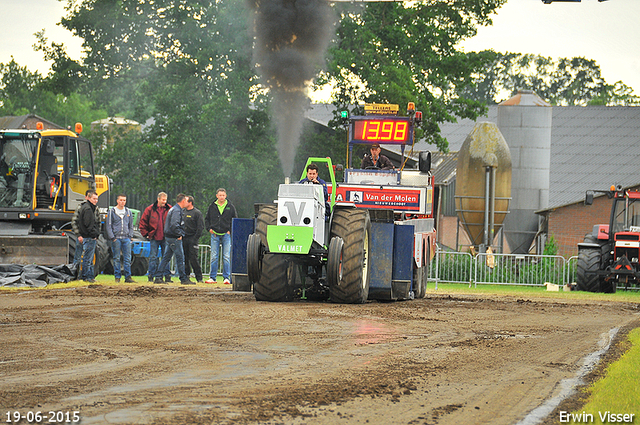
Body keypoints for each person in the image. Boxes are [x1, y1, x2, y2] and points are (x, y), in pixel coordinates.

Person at [154, 193, 193, 285]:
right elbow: (174, 224)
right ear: (183, 201)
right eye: (186, 201)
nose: (187, 203)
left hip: (170, 237)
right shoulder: (176, 211)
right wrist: (179, 234)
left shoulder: (175, 209)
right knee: (180, 258)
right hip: (174, 238)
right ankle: (183, 278)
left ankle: (158, 277)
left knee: (166, 257)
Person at [204, 188, 237, 285]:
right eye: (220, 195)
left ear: (225, 196)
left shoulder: (230, 207)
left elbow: (235, 219)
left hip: (226, 234)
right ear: (217, 196)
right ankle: (212, 277)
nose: (221, 197)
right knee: (214, 256)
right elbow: (207, 219)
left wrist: (230, 231)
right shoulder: (212, 206)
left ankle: (226, 278)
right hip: (214, 234)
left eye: (223, 195)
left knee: (226, 256)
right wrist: (209, 229)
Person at [139, 192, 172, 282]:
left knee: (166, 257)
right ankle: (151, 275)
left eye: (165, 200)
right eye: (163, 200)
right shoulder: (150, 209)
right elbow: (143, 222)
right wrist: (145, 234)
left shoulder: (169, 209)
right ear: (158, 199)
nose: (164, 202)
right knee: (153, 257)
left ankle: (167, 276)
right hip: (154, 237)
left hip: (166, 237)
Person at [106, 194, 135, 283]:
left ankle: (128, 277)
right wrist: (112, 237)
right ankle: (117, 277)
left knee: (127, 258)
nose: (122, 202)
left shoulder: (128, 212)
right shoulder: (112, 212)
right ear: (117, 201)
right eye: (121, 200)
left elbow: (131, 225)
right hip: (116, 238)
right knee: (116, 258)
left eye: (124, 200)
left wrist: (130, 236)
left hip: (126, 238)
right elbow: (109, 225)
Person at [77, 189, 100, 283]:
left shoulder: (86, 207)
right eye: (94, 198)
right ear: (89, 198)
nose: (96, 201)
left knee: (89, 258)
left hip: (88, 236)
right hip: (89, 237)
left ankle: (89, 276)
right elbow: (88, 224)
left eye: (97, 199)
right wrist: (94, 234)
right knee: (88, 258)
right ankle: (86, 276)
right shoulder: (88, 209)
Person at [184, 195, 205, 283]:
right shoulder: (182, 212)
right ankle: (186, 276)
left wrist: (195, 238)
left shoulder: (197, 213)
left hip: (193, 239)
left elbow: (200, 227)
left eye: (185, 201)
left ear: (190, 202)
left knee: (193, 259)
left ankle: (199, 278)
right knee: (185, 259)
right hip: (184, 238)